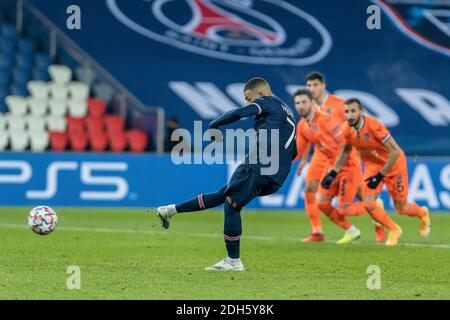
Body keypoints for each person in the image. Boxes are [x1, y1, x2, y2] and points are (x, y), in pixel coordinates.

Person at [155, 77, 297, 271]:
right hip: (276, 177)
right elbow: (294, 152)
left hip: (258, 165)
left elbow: (239, 113)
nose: (249, 102)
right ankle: (170, 210)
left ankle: (233, 261)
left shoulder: (266, 101)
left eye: (249, 98)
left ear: (260, 94)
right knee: (226, 195)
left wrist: (214, 124)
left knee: (231, 204)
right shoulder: (287, 113)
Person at [322, 98, 431, 245]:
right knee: (368, 203)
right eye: (346, 112)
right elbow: (346, 151)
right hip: (372, 166)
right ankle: (394, 229)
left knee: (401, 208)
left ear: (361, 111)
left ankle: (422, 213)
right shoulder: (347, 129)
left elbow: (395, 153)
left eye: (353, 111)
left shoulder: (375, 126)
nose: (349, 115)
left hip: (394, 165)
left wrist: (380, 176)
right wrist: (333, 172)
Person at [296, 72, 386, 243]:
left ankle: (377, 216)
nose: (312, 89)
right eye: (309, 86)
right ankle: (317, 231)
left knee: (359, 194)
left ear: (322, 85)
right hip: (321, 154)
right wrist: (303, 159)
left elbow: (355, 125)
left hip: (344, 153)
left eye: (315, 85)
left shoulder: (338, 104)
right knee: (310, 189)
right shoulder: (309, 106)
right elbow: (308, 133)